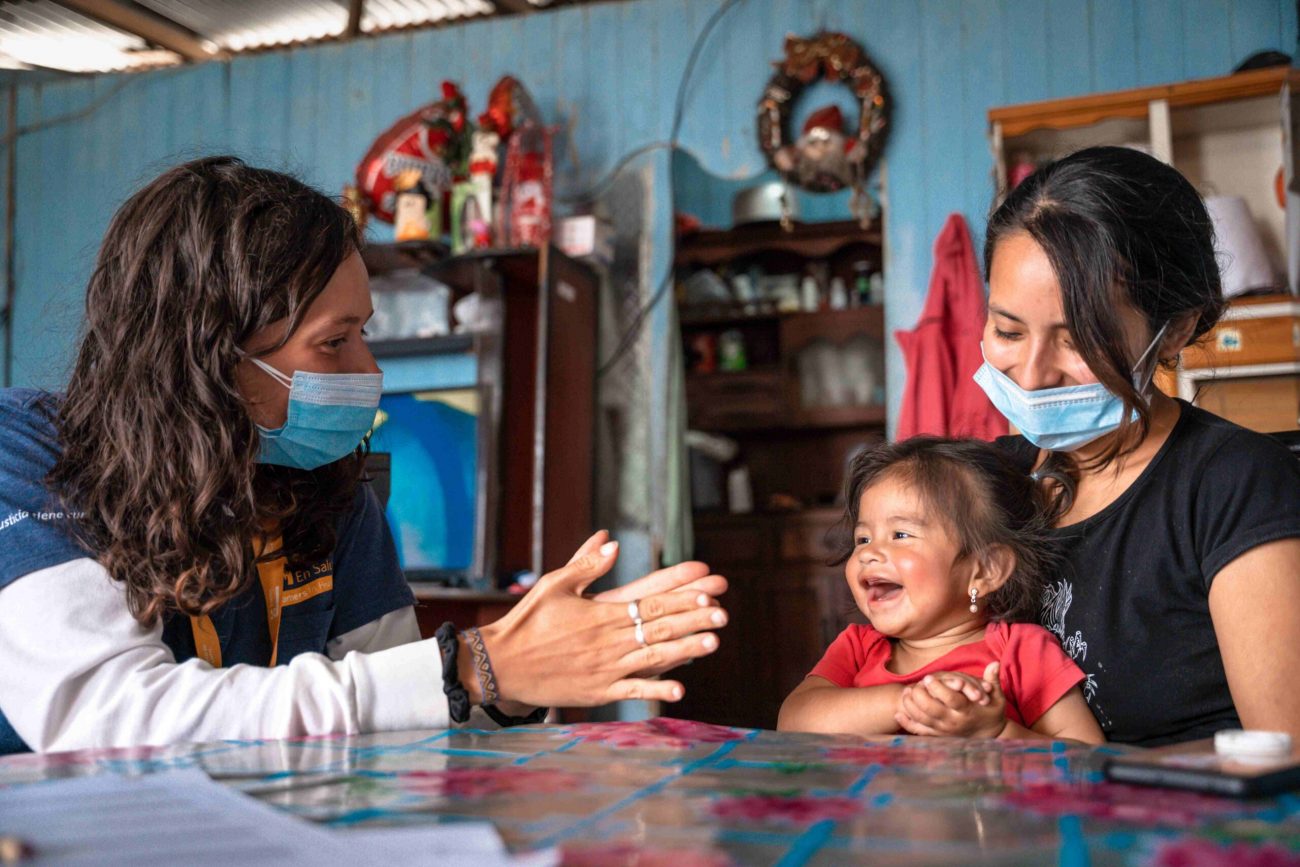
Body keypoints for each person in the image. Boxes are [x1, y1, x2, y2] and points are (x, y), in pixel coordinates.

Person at [0, 156, 728, 755]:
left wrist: (521, 678)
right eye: (333, 340)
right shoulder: (28, 454)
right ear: (207, 352)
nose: (367, 374)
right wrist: (473, 664)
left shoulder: (329, 494)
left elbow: (400, 717)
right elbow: (106, 725)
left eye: (364, 335)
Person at [976, 145, 1300, 746]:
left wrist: (1034, 753)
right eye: (1007, 330)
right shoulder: (984, 486)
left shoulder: (1234, 487)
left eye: (1079, 340)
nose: (1032, 372)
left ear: (1174, 328)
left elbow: (1284, 754)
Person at [778, 437, 1104, 743]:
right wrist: (907, 701)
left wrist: (998, 732)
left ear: (986, 570)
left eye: (900, 535)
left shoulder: (1021, 652)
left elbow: (1086, 756)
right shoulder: (857, 648)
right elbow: (793, 722)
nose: (867, 553)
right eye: (863, 538)